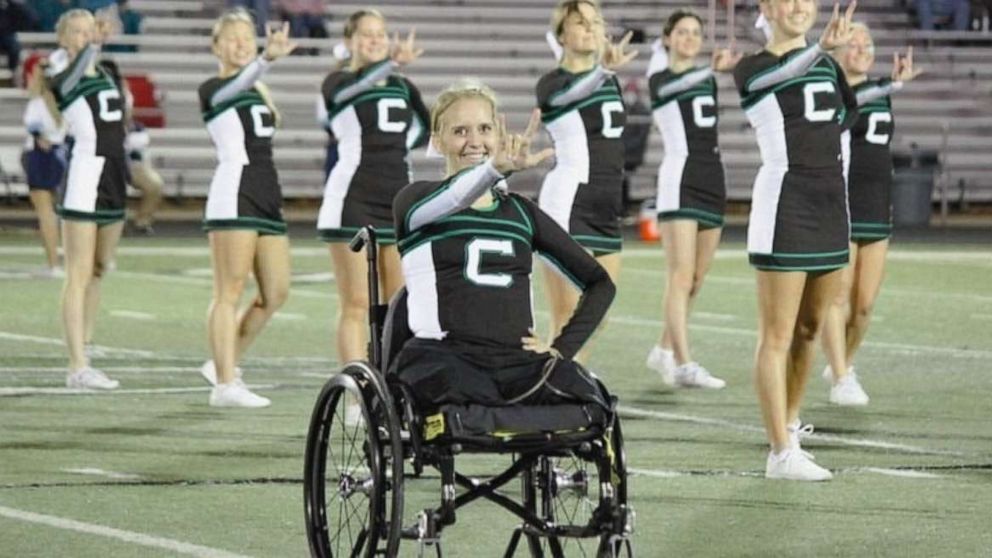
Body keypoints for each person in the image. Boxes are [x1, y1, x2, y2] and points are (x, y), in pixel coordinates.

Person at [391, 80, 614, 413]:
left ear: (498, 135)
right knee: (455, 391)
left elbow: (600, 283)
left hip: (516, 363)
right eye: (460, 131)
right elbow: (455, 196)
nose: (475, 141)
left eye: (484, 129)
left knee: (590, 397)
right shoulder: (415, 202)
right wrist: (493, 169)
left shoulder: (522, 212)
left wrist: (560, 349)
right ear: (437, 142)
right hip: (442, 358)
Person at [732, 0, 858, 481]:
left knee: (811, 328)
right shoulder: (752, 67)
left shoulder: (827, 64)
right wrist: (821, 49)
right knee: (777, 335)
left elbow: (846, 115)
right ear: (767, 7)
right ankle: (779, 452)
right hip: (784, 203)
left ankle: (790, 425)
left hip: (830, 202)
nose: (800, 6)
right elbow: (770, 83)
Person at [315, 9, 428, 369]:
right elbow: (354, 90)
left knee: (396, 304)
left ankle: (390, 384)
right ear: (349, 41)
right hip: (353, 197)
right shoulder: (337, 82)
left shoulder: (403, 86)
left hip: (395, 198)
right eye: (366, 34)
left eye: (380, 33)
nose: (375, 39)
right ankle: (354, 395)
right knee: (357, 302)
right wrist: (391, 64)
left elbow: (423, 132)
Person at [197, 10, 295, 407]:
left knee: (275, 292)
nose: (240, 44)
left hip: (265, 191)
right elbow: (238, 83)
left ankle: (224, 360)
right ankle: (224, 383)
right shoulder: (212, 89)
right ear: (216, 46)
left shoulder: (258, 90)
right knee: (229, 290)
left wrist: (262, 66)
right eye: (232, 38)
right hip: (233, 191)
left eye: (246, 37)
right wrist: (266, 60)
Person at [821, 25, 921, 406]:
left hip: (877, 202)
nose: (862, 49)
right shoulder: (834, 91)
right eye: (854, 43)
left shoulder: (881, 91)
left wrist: (890, 86)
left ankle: (841, 362)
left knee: (863, 305)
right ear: (838, 51)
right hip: (842, 200)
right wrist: (891, 85)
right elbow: (852, 104)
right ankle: (841, 375)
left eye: (868, 43)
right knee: (839, 294)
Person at [644, 9, 740, 389]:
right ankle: (684, 363)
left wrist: (713, 72)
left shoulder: (708, 80)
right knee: (680, 275)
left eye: (695, 33)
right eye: (681, 32)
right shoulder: (660, 78)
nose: (688, 38)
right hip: (679, 178)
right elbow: (667, 93)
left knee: (697, 277)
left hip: (711, 176)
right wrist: (712, 70)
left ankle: (663, 348)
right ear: (667, 39)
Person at [537, 0, 636, 363]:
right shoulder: (552, 83)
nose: (591, 29)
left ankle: (564, 389)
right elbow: (567, 98)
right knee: (567, 318)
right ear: (561, 34)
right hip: (569, 202)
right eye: (580, 23)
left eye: (596, 22)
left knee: (597, 316)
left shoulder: (608, 81)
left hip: (606, 203)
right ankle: (549, 398)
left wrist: (602, 71)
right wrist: (601, 71)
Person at [46, 9, 126, 390]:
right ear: (63, 38)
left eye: (88, 30)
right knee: (77, 274)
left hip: (113, 175)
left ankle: (87, 346)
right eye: (75, 32)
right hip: (85, 177)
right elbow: (72, 76)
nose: (83, 36)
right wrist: (91, 47)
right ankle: (76, 366)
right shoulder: (61, 75)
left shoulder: (106, 71)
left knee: (99, 268)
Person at [22, 60, 67, 277]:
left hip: (41, 158)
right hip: (59, 156)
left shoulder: (37, 103)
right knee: (55, 211)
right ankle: (57, 261)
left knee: (45, 213)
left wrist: (42, 139)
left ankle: (53, 264)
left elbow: (37, 135)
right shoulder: (65, 103)